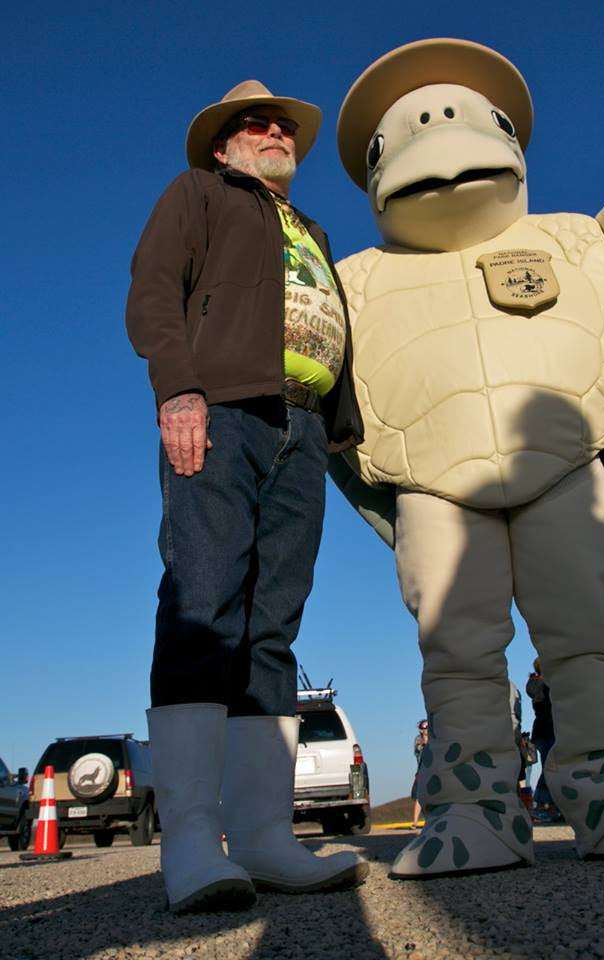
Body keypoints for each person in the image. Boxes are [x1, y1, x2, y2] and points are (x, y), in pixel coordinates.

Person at [125, 80, 366, 914]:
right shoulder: (199, 193)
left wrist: (342, 426)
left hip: (302, 428)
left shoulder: (312, 228)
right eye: (252, 126)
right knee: (203, 596)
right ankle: (191, 838)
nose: (271, 133)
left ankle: (265, 834)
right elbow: (155, 285)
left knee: (275, 624)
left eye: (279, 125)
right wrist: (179, 388)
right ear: (223, 149)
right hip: (221, 411)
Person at [525, 659, 562, 823]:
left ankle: (551, 806)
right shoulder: (545, 686)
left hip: (541, 731)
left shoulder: (536, 685)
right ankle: (540, 803)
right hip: (548, 730)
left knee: (552, 766)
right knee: (551, 767)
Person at [411, 719, 428, 825]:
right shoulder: (418, 739)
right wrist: (425, 736)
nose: (426, 730)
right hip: (422, 770)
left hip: (434, 769)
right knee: (419, 796)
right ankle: (415, 822)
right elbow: (420, 747)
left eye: (427, 727)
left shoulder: (435, 737)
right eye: (424, 728)